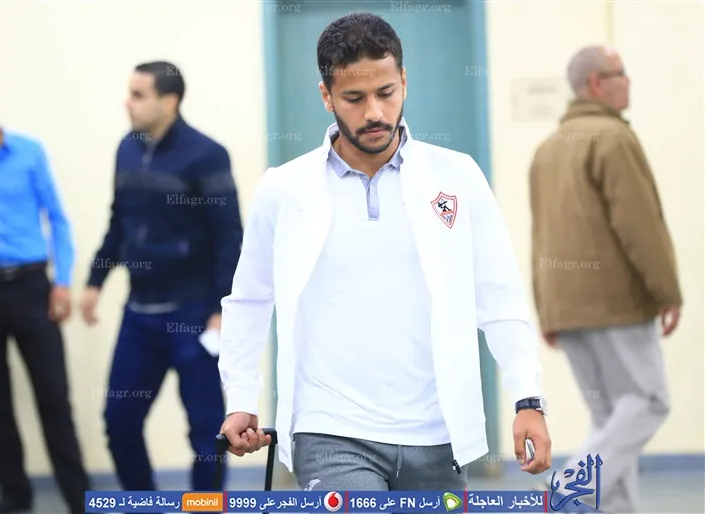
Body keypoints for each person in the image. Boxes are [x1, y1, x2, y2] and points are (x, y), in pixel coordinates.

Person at [218, 12, 552, 492]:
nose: (374, 112)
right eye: (354, 98)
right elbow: (249, 300)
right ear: (327, 96)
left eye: (386, 92)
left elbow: (499, 297)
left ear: (404, 82)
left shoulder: (457, 176)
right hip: (329, 430)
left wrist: (527, 398)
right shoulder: (284, 189)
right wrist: (240, 397)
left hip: (437, 434)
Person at [529, 45, 681, 512]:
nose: (628, 80)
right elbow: (640, 226)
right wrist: (667, 291)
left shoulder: (548, 149)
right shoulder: (614, 138)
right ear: (596, 83)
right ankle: (567, 489)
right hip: (615, 304)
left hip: (566, 308)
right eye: (620, 73)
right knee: (649, 402)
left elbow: (540, 236)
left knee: (610, 417)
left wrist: (546, 311)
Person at [79, 62, 243, 492]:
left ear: (169, 102)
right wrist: (95, 281)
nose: (127, 103)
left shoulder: (207, 154)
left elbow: (229, 237)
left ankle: (204, 504)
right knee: (120, 422)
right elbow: (119, 222)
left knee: (208, 432)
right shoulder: (127, 149)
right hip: (140, 315)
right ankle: (143, 503)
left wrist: (221, 309)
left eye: (138, 95)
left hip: (194, 313)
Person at [0, 84, 89, 514]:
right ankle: (15, 493)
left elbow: (58, 220)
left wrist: (61, 283)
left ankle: (80, 497)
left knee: (53, 397)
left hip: (32, 288)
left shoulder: (28, 152)